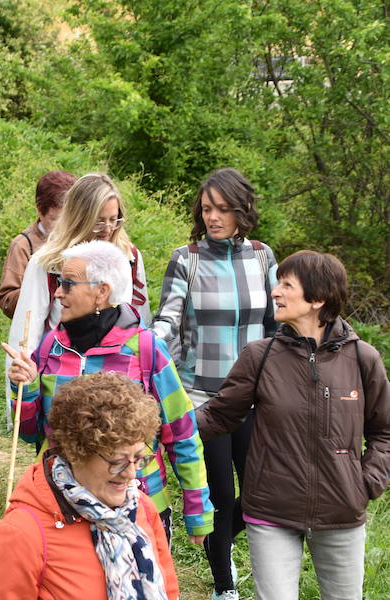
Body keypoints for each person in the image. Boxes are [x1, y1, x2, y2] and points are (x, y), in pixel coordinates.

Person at [195, 250, 389, 600]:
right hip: (271, 509)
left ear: (318, 298)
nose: (275, 292)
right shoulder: (260, 356)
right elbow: (218, 416)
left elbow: (385, 431)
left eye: (286, 284)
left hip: (341, 509)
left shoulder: (363, 359)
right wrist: (158, 426)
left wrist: (366, 482)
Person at [6, 240, 214, 545]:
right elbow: (29, 433)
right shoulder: (51, 345)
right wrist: (24, 386)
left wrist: (198, 510)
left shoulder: (146, 350)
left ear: (101, 292)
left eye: (67, 284)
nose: (58, 292)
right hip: (62, 505)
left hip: (137, 507)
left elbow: (182, 433)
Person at [153, 167, 277, 600]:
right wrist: (148, 348)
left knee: (263, 492)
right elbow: (167, 317)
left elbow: (277, 324)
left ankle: (217, 541)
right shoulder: (186, 257)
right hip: (203, 398)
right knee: (221, 492)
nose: (213, 217)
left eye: (223, 208)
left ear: (242, 210)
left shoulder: (263, 257)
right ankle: (224, 587)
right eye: (207, 208)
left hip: (256, 397)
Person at [0, 373, 180, 600]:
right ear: (76, 452)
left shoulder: (140, 505)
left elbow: (168, 587)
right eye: (116, 462)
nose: (131, 474)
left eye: (138, 458)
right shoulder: (21, 536)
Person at [8, 173, 152, 391]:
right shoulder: (48, 262)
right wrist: (20, 396)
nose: (108, 228)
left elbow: (141, 323)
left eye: (114, 219)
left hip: (117, 384)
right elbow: (26, 334)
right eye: (99, 221)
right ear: (79, 218)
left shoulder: (129, 257)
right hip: (61, 380)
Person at [0, 170, 76, 318]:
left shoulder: (80, 239)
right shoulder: (23, 245)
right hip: (38, 334)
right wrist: (40, 288)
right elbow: (6, 299)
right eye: (56, 219)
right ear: (40, 211)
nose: (63, 227)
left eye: (69, 219)